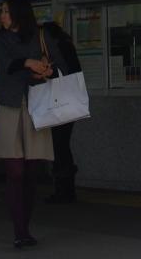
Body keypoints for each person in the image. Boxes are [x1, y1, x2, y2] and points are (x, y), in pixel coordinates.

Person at [0, 0, 53, 249]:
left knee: (31, 173)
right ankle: (19, 231)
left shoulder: (38, 35)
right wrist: (28, 62)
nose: (2, 16)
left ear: (18, 13)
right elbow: (7, 65)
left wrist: (45, 68)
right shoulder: (0, 38)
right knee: (15, 172)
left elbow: (53, 62)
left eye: (6, 11)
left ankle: (25, 228)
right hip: (10, 106)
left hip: (35, 107)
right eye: (1, 11)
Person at [40, 20, 82, 203]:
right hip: (71, 99)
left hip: (60, 101)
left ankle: (63, 190)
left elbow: (60, 72)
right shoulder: (67, 45)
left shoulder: (56, 50)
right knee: (62, 145)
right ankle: (67, 189)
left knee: (59, 146)